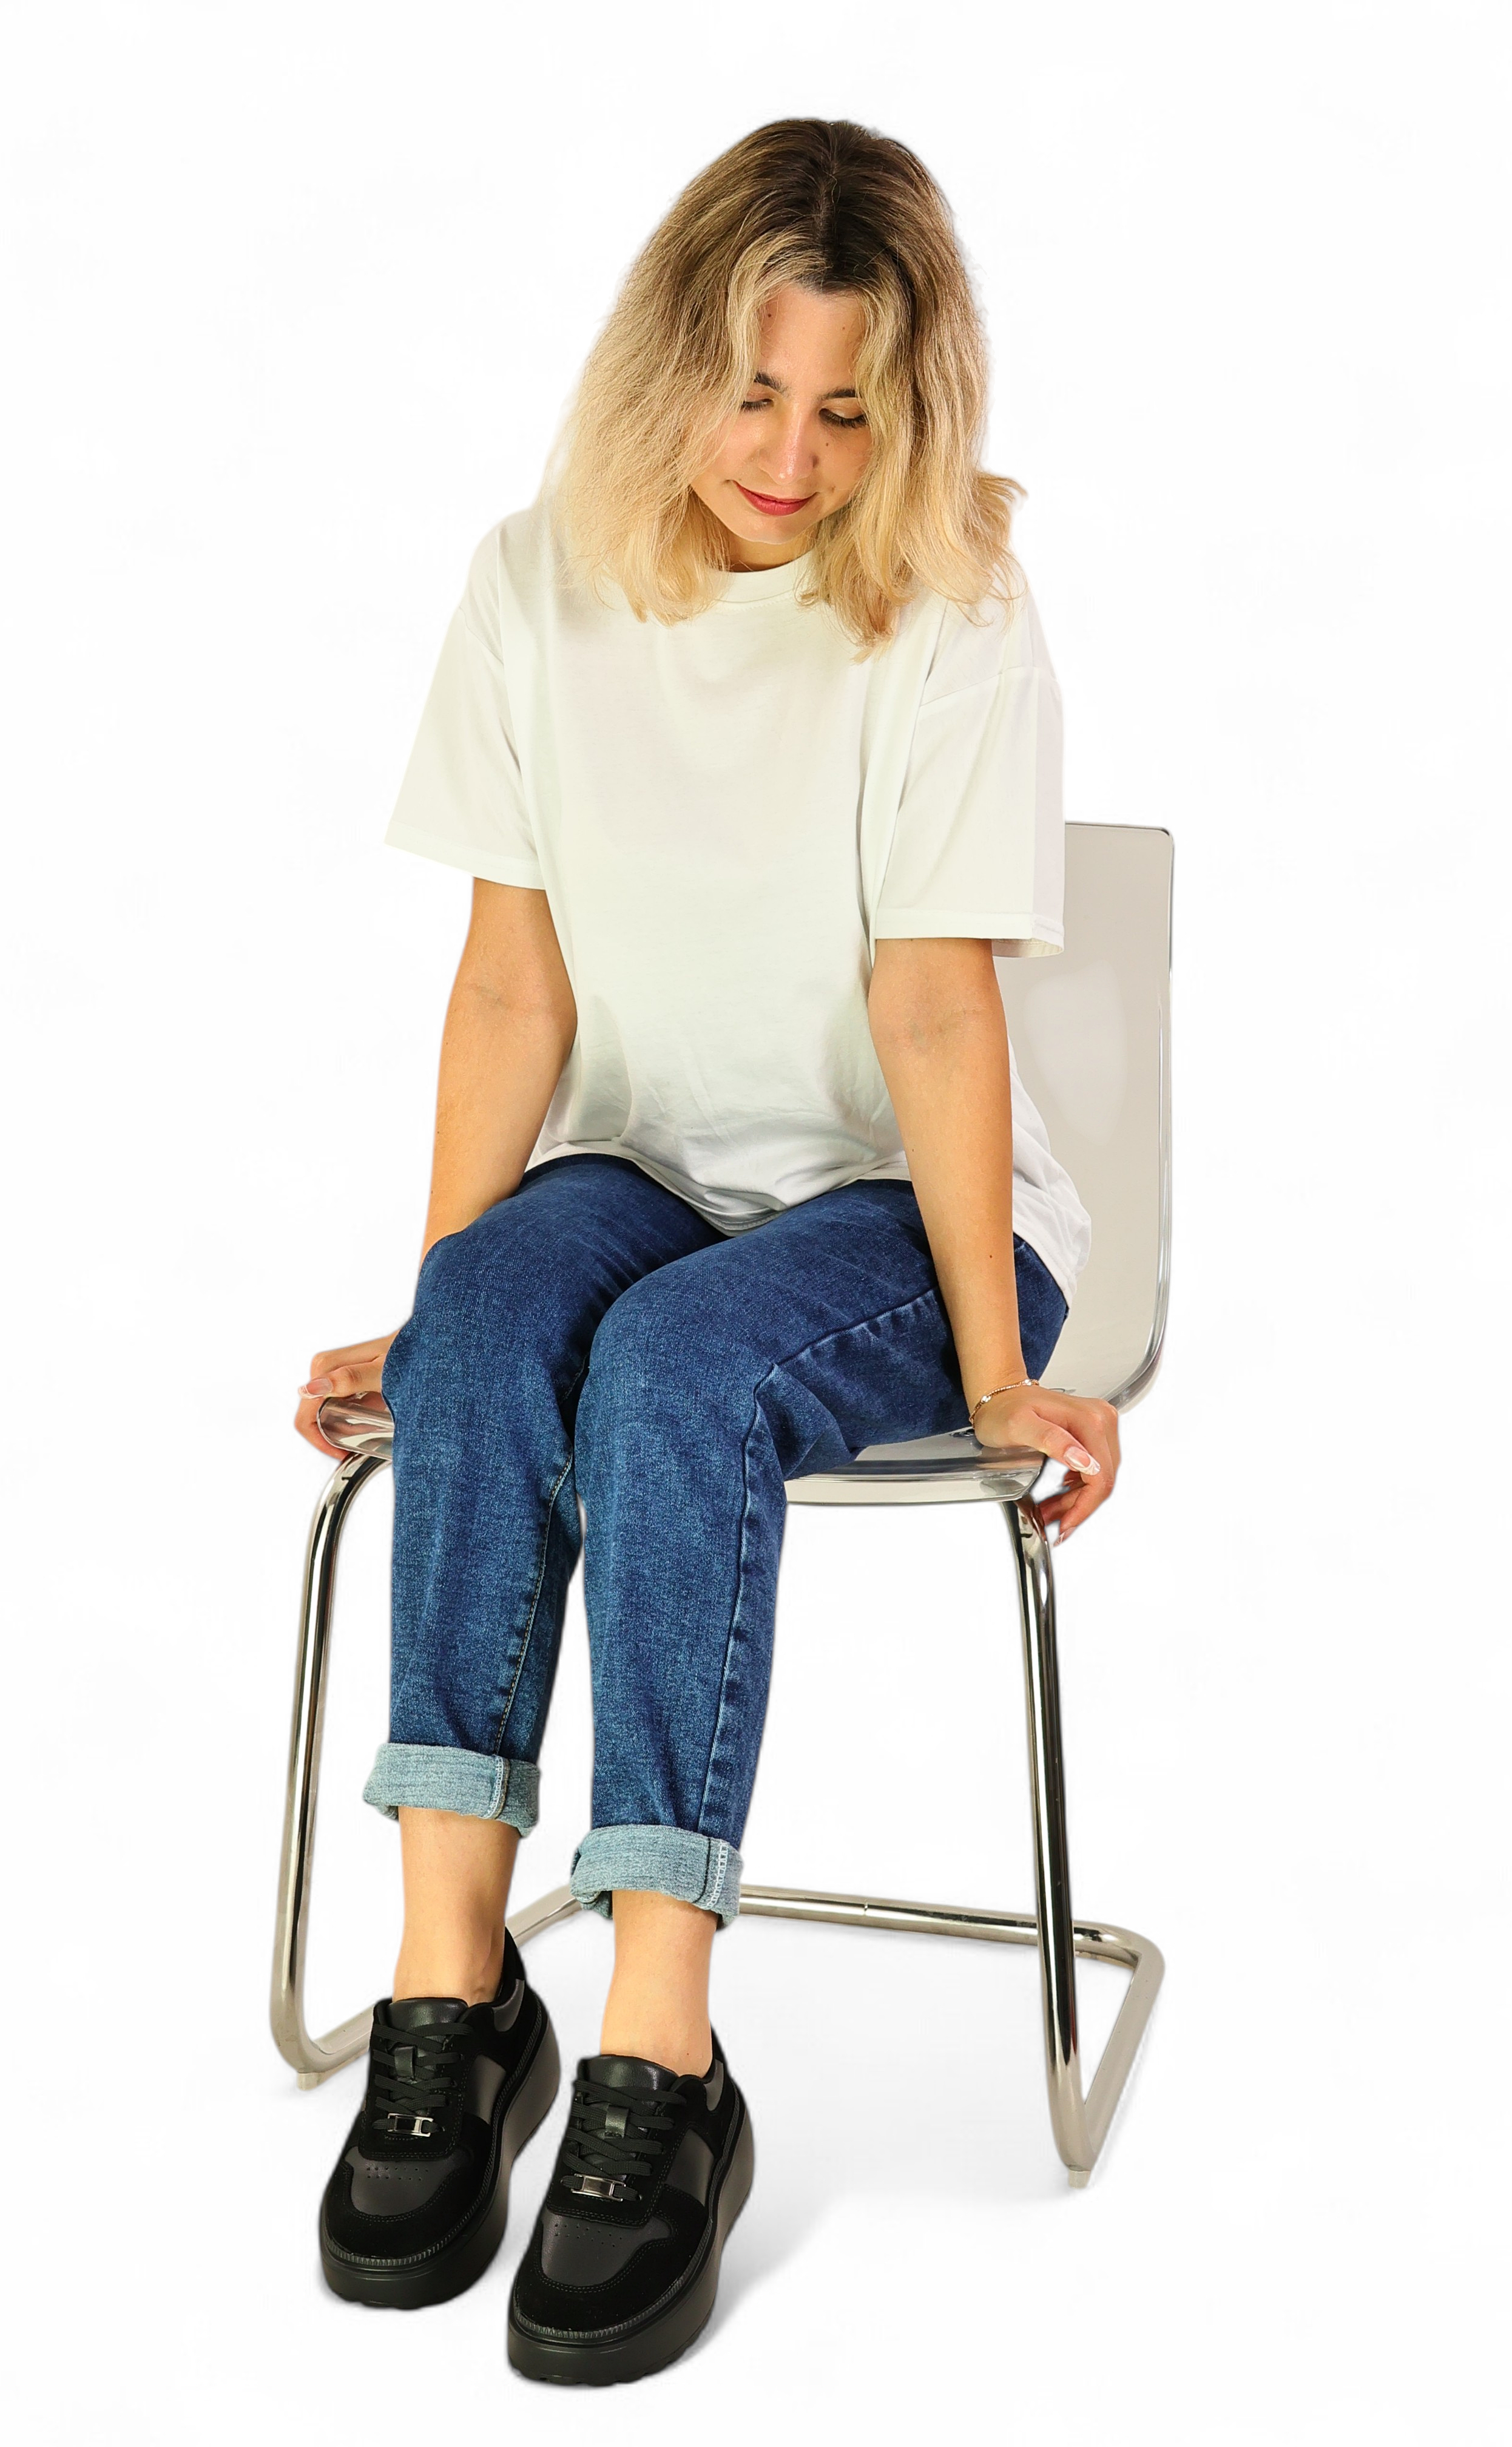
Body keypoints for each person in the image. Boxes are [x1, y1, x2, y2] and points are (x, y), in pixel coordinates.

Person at [294, 117, 1121, 2384]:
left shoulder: (951, 605)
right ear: (670, 366)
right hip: (647, 1166)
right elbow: (511, 989)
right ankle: (451, 1992)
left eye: (846, 407)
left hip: (909, 1216)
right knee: (501, 1313)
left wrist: (990, 1372)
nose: (789, 456)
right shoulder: (534, 581)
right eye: (752, 393)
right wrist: (440, 1312)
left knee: (671, 1368)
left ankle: (659, 2049)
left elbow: (934, 1010)